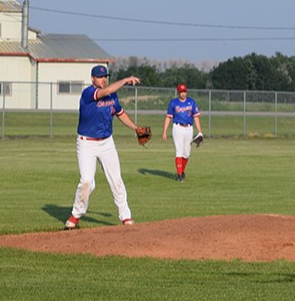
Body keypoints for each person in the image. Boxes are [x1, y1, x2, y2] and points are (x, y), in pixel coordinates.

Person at [65, 65, 145, 229]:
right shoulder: (88, 93)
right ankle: (75, 215)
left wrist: (136, 128)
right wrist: (124, 80)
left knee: (116, 180)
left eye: (105, 76)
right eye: (100, 77)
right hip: (87, 142)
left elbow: (120, 113)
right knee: (87, 182)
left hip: (107, 143)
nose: (103, 79)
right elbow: (105, 92)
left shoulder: (112, 96)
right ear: (92, 79)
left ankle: (126, 217)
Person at [162, 84, 203, 182]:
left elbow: (196, 117)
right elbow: (168, 117)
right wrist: (164, 132)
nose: (183, 93)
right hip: (178, 128)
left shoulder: (191, 102)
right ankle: (179, 174)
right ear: (178, 92)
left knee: (187, 153)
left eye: (184, 91)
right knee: (179, 151)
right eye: (181, 92)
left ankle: (182, 171)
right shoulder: (173, 103)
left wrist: (200, 131)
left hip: (189, 128)